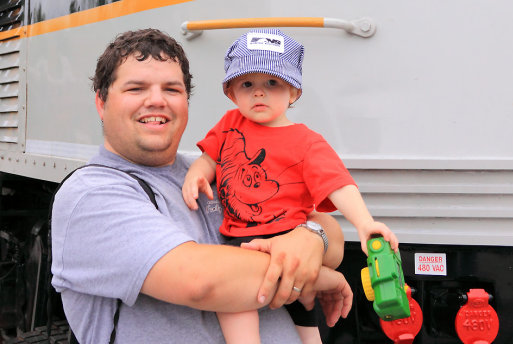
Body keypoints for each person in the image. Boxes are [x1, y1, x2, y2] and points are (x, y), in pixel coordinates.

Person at [51, 29, 353, 344]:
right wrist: (316, 274)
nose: (156, 100)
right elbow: (202, 281)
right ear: (101, 102)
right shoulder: (91, 195)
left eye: (172, 89)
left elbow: (332, 235)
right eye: (136, 88)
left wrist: (311, 237)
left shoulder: (211, 172)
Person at [182, 28, 399, 344]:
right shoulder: (230, 124)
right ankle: (328, 281)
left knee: (307, 327)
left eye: (272, 83)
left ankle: (323, 280)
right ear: (232, 93)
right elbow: (210, 157)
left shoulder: (306, 142)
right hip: (237, 243)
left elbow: (338, 184)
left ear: (294, 92)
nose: (259, 92)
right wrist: (196, 174)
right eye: (247, 84)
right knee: (234, 309)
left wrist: (365, 223)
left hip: (289, 241)